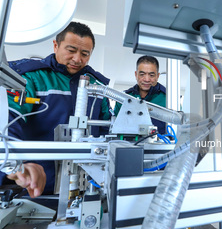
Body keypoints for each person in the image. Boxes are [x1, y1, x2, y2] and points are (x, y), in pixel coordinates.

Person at [0, 22, 111, 197]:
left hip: (89, 186)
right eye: (71, 50)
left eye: (85, 54)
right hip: (37, 185)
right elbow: (8, 120)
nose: (77, 59)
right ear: (56, 45)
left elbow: (107, 130)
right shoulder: (33, 78)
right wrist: (15, 163)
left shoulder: (97, 87)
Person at [113, 55, 166, 134]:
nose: (146, 79)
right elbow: (114, 128)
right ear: (136, 74)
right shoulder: (124, 98)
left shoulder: (169, 99)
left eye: (151, 75)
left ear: (157, 76)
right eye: (142, 74)